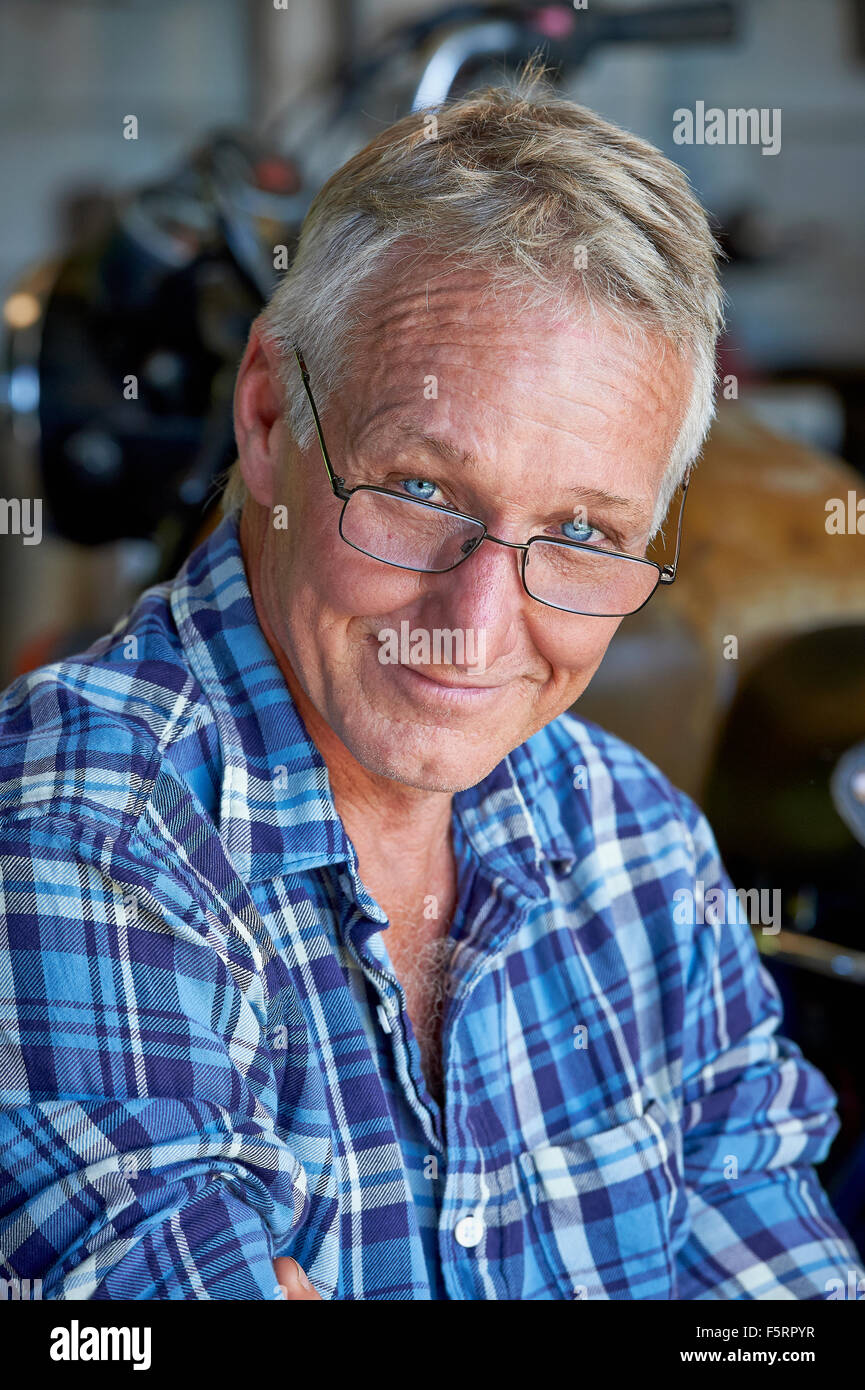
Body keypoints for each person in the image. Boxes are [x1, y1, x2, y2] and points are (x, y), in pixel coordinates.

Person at [0, 73, 859, 1301]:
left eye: (582, 530)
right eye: (420, 492)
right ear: (263, 414)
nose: (479, 621)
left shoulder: (643, 849)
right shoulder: (67, 841)